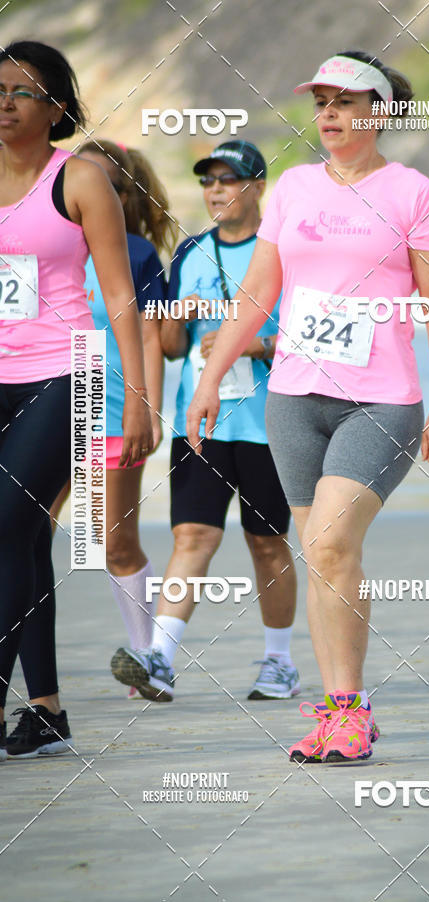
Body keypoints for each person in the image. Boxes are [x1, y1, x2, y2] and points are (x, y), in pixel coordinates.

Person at [185, 52, 429, 762]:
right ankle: (344, 712)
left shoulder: (414, 192)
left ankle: (349, 708)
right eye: (322, 102)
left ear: (382, 111)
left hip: (380, 401)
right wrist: (211, 377)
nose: (329, 115)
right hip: (292, 400)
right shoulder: (296, 188)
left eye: (346, 102)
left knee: (334, 544)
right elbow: (257, 295)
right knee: (322, 557)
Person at [0, 41, 153, 759]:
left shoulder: (81, 178)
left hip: (66, 373)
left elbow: (121, 295)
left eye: (22, 91)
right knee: (22, 540)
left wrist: (140, 400)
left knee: (4, 526)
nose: (4, 102)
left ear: (57, 108)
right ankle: (47, 713)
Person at [110, 141, 299, 703]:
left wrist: (256, 344)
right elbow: (168, 347)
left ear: (258, 186)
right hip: (203, 424)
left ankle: (279, 662)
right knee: (191, 536)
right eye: (208, 181)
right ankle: (161, 661)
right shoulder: (191, 253)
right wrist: (180, 316)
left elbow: (311, 337)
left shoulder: (284, 251)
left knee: (267, 545)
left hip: (269, 425)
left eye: (229, 180)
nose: (216, 190)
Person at [48, 139, 176, 699]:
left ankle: (147, 659)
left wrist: (148, 409)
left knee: (114, 542)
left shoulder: (135, 253)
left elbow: (151, 336)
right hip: (49, 404)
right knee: (25, 533)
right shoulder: (46, 247)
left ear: (122, 195)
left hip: (115, 410)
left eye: (105, 185)